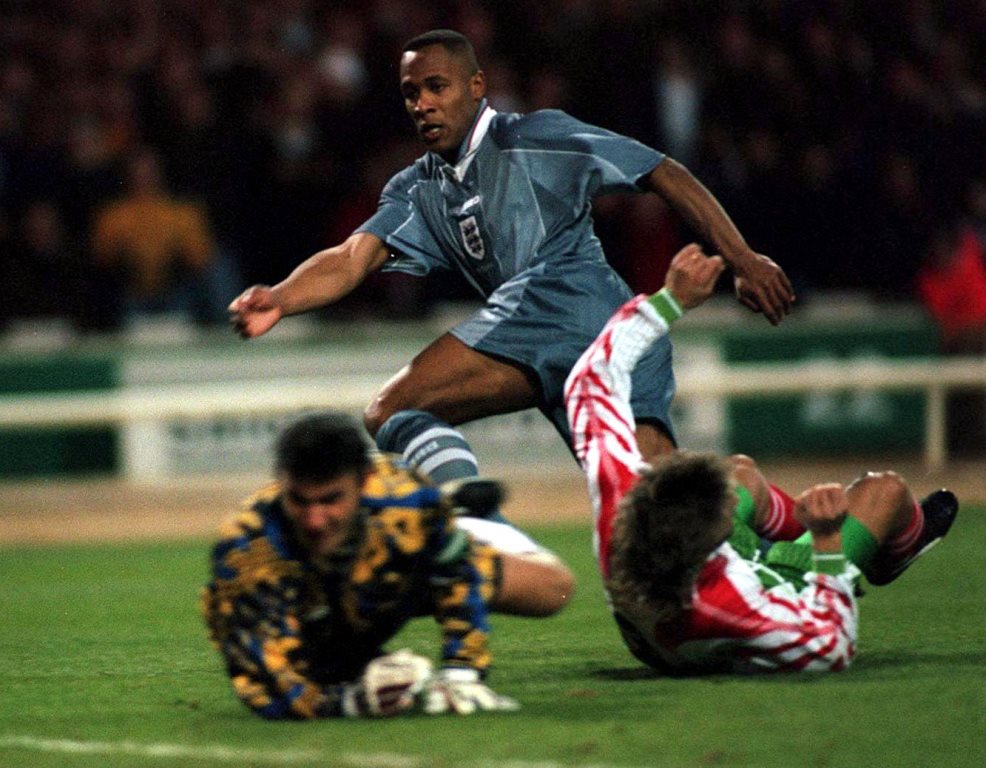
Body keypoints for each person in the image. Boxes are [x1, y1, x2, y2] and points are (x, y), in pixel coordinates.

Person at [228, 29, 795, 468]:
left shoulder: (536, 136)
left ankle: (475, 517)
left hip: (575, 303)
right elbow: (352, 258)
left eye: (436, 86)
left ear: (476, 88)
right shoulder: (417, 188)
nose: (421, 103)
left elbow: (660, 170)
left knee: (392, 411)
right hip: (584, 340)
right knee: (652, 515)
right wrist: (280, 296)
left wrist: (743, 259)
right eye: (410, 93)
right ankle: (792, 525)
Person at [564, 244, 959, 673]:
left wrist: (668, 300)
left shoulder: (619, 499)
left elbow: (590, 379)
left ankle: (815, 537)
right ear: (714, 551)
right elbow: (831, 645)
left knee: (738, 474)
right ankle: (889, 551)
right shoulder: (732, 605)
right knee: (885, 491)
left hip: (654, 616)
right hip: (738, 607)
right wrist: (826, 543)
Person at [201, 411, 574, 718]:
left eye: (331, 499)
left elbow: (457, 578)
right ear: (282, 482)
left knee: (555, 589)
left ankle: (464, 515)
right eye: (300, 501)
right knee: (325, 668)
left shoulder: (406, 498)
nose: (315, 520)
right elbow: (268, 685)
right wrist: (350, 701)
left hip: (402, 573)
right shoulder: (247, 547)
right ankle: (452, 509)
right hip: (325, 618)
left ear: (365, 480)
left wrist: (462, 669)